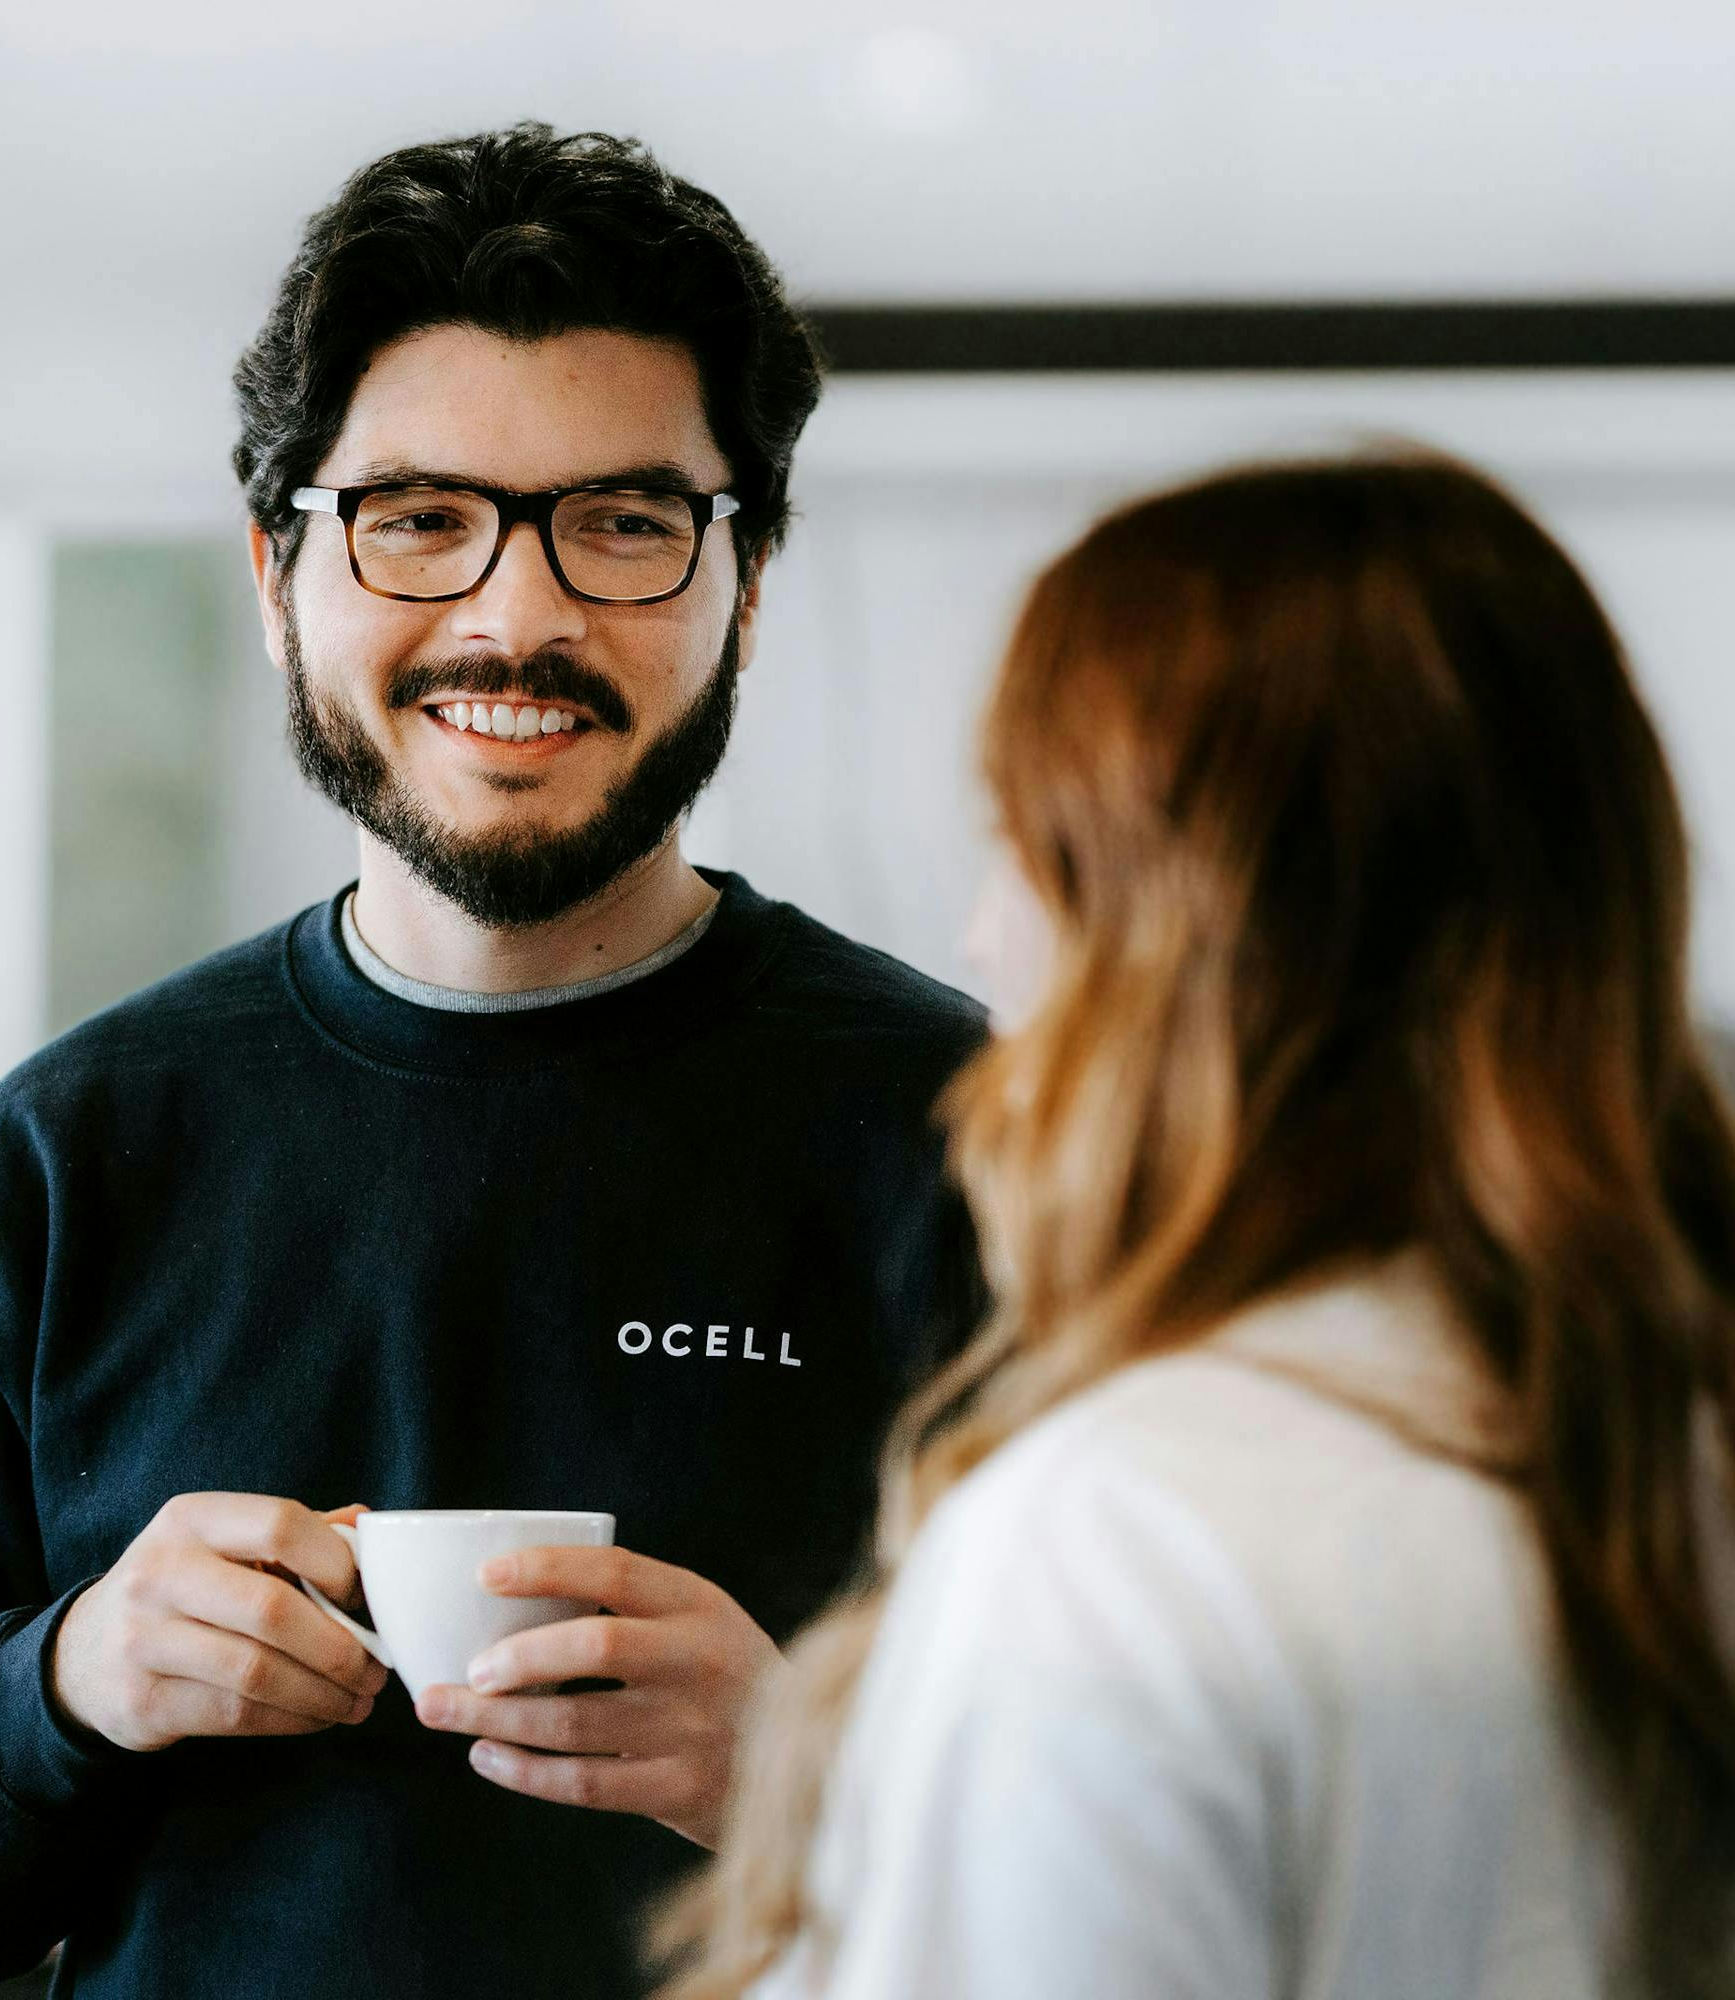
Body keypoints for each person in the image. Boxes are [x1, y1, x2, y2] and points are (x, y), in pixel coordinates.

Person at [0, 124, 987, 2000]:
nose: (517, 615)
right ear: (273, 570)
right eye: (417, 518)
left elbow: (1211, 1846)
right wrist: (67, 1684)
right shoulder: (72, 1160)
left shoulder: (979, 1136)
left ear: (748, 579)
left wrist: (830, 1778)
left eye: (627, 524)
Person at [654, 452, 1735, 2000]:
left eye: (1026, 845)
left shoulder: (1121, 1546)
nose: (980, 935)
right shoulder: (1668, 1460)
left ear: (1183, 937)